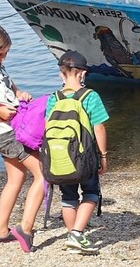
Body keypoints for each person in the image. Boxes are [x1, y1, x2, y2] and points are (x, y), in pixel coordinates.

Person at [0, 25, 43, 253]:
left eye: (5, 54)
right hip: (4, 133)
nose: (2, 58)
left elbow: (9, 85)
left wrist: (19, 93)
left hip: (12, 128)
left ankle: (0, 230)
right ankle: (25, 228)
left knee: (16, 179)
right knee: (43, 174)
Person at [47, 50, 110, 254]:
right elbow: (99, 128)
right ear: (82, 73)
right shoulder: (90, 96)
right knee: (91, 192)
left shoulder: (53, 98)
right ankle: (76, 234)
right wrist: (103, 156)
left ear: (61, 73)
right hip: (85, 157)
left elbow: (46, 128)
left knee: (68, 197)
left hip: (60, 157)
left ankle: (72, 234)